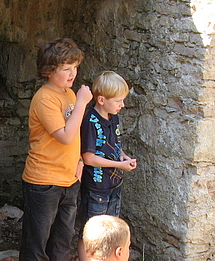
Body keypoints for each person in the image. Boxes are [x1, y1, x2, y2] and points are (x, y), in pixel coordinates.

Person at [19, 38, 92, 260]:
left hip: (69, 179)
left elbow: (76, 132)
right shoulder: (45, 98)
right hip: (44, 182)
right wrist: (81, 104)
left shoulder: (68, 93)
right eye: (66, 69)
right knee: (36, 244)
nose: (73, 74)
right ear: (49, 71)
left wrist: (79, 161)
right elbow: (65, 136)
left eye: (75, 68)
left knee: (62, 242)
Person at [77, 71, 137, 261]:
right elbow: (89, 158)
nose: (122, 105)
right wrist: (119, 165)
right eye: (119, 100)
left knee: (111, 233)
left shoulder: (114, 117)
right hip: (96, 188)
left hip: (114, 186)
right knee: (90, 234)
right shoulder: (90, 121)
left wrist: (124, 158)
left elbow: (115, 146)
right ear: (102, 99)